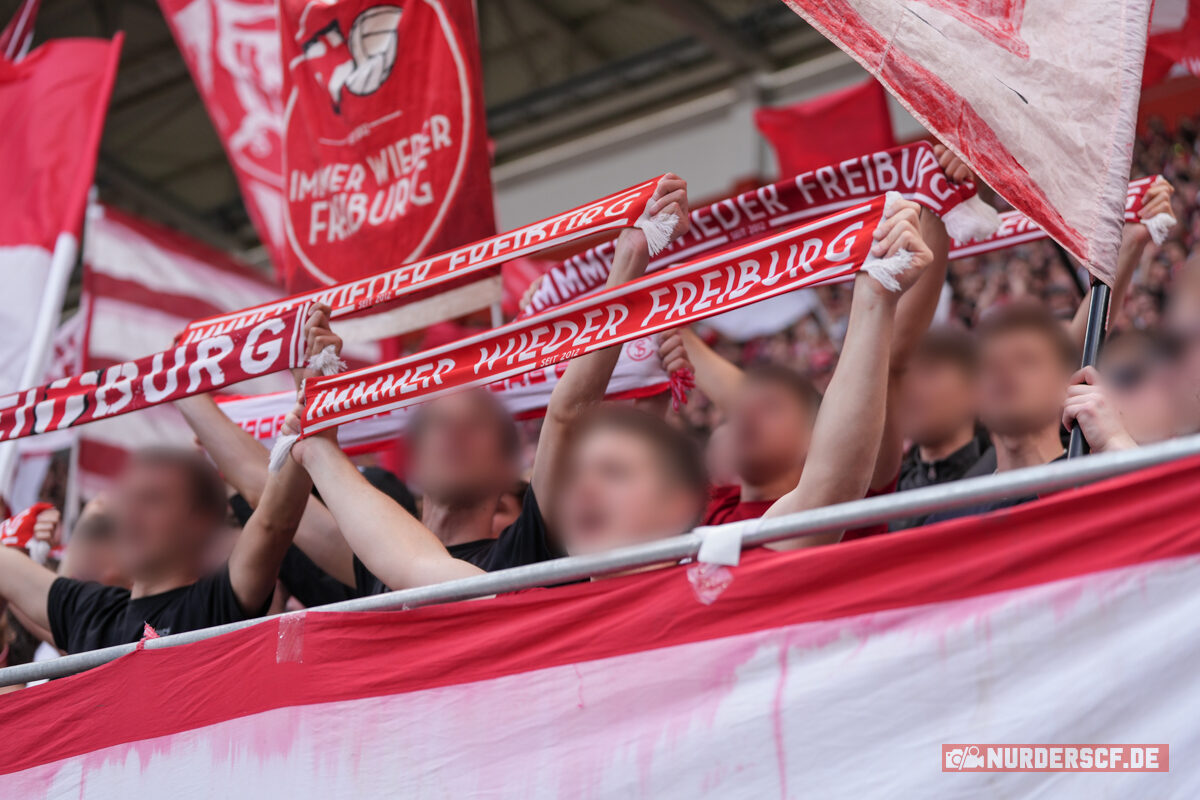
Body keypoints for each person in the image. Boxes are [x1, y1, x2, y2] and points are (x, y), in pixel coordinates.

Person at [276, 196, 937, 590]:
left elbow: (829, 488)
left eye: (614, 473)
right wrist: (317, 445)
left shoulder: (715, 574)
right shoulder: (541, 602)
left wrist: (875, 296)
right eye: (583, 476)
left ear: (684, 506)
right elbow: (411, 563)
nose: (580, 490)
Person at [177, 174, 693, 596]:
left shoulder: (534, 549)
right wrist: (182, 383)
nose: (451, 436)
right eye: (436, 425)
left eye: (475, 428)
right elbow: (261, 483)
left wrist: (628, 259)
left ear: (510, 471)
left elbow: (568, 410)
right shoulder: (368, 558)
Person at [657, 145, 969, 533]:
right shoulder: (706, 516)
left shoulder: (852, 498)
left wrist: (935, 201)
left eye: (771, 409)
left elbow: (892, 356)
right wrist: (657, 301)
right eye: (738, 411)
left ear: (817, 436)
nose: (745, 416)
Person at [0, 309, 330, 654]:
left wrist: (312, 397)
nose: (129, 515)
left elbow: (275, 520)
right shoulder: (90, 613)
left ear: (201, 523)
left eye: (152, 500)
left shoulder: (216, 605)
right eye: (126, 500)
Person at [922, 303, 1078, 524]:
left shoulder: (1097, 484)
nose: (1004, 369)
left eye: (1026, 360)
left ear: (1066, 386)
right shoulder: (947, 521)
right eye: (989, 364)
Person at [890, 327, 990, 530]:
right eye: (905, 374)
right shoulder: (887, 491)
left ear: (976, 391)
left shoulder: (1008, 475)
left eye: (929, 372)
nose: (910, 386)